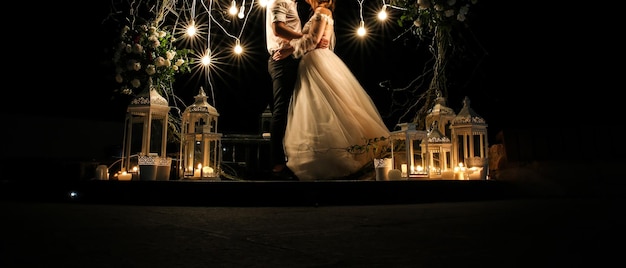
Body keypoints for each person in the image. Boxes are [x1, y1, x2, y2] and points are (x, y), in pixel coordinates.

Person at [273, 0, 391, 181]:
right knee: (317, 111)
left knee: (328, 108)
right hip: (311, 64)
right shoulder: (318, 13)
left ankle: (338, 156)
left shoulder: (322, 11)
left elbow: (312, 41)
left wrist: (289, 49)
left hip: (317, 63)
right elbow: (311, 39)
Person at [265, 0, 304, 180]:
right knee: (281, 110)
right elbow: (278, 29)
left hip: (290, 58)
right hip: (282, 61)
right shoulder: (280, 0)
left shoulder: (292, 3)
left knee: (291, 110)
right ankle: (277, 163)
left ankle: (289, 159)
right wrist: (302, 37)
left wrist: (295, 46)